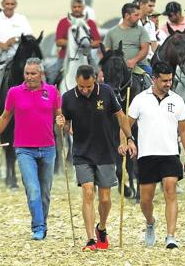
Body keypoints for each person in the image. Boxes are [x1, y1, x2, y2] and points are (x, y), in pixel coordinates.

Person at [0, 58, 63, 240]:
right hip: (24, 149)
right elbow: (4, 117)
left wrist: (61, 122)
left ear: (41, 74)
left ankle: (42, 223)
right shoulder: (14, 92)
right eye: (27, 73)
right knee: (33, 190)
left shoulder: (52, 92)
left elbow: (59, 116)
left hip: (48, 148)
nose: (29, 77)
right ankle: (38, 227)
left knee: (44, 192)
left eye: (33, 73)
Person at [61, 65, 136, 251]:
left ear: (95, 80)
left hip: (105, 152)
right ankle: (90, 240)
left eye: (88, 86)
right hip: (82, 153)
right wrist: (62, 124)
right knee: (87, 192)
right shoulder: (68, 98)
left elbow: (121, 117)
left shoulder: (107, 92)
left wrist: (130, 138)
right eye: (81, 87)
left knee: (104, 199)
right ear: (76, 82)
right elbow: (66, 127)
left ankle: (101, 228)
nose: (85, 90)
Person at [127, 61, 185, 249]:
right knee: (146, 199)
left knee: (170, 190)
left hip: (170, 154)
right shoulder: (140, 99)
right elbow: (126, 125)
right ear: (154, 78)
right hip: (147, 155)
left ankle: (170, 236)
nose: (168, 84)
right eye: (164, 80)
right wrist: (128, 141)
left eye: (170, 80)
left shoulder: (177, 100)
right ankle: (150, 222)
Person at [54, 0, 101, 79]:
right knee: (53, 76)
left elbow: (98, 41)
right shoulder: (63, 22)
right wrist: (75, 43)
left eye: (79, 7)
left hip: (86, 55)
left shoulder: (90, 23)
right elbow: (58, 41)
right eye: (74, 7)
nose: (76, 9)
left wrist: (86, 43)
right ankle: (51, 91)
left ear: (83, 7)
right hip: (65, 56)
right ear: (71, 7)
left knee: (99, 75)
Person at [103, 3, 151, 74]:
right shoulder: (111, 32)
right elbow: (106, 50)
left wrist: (134, 60)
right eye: (136, 15)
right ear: (127, 16)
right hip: (117, 68)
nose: (139, 18)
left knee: (152, 78)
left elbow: (145, 49)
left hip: (140, 66)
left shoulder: (141, 30)